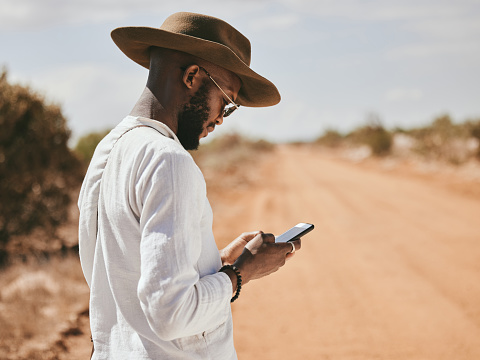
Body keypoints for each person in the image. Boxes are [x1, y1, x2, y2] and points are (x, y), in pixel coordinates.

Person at [78, 12, 301, 359]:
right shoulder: (168, 160)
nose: (220, 120)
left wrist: (218, 260)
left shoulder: (110, 149)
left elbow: (125, 272)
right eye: (226, 103)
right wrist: (241, 273)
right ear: (193, 76)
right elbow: (172, 313)